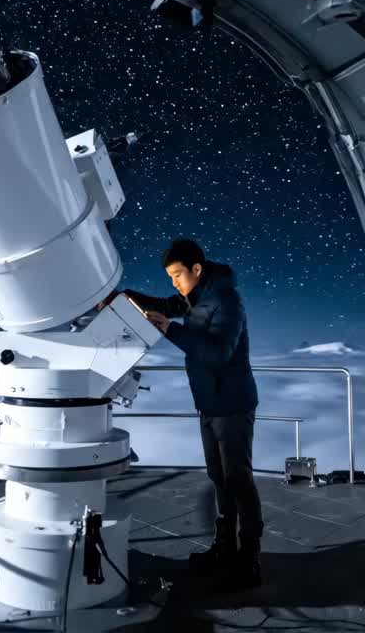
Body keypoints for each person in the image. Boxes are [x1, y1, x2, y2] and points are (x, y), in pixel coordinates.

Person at [123, 238, 262, 590]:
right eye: (169, 276)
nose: (174, 283)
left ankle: (249, 560)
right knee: (219, 477)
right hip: (209, 404)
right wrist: (125, 297)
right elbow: (166, 304)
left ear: (196, 270)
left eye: (177, 275)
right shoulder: (195, 295)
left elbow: (217, 353)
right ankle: (224, 548)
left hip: (232, 405)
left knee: (239, 482)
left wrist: (171, 329)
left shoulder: (227, 301)